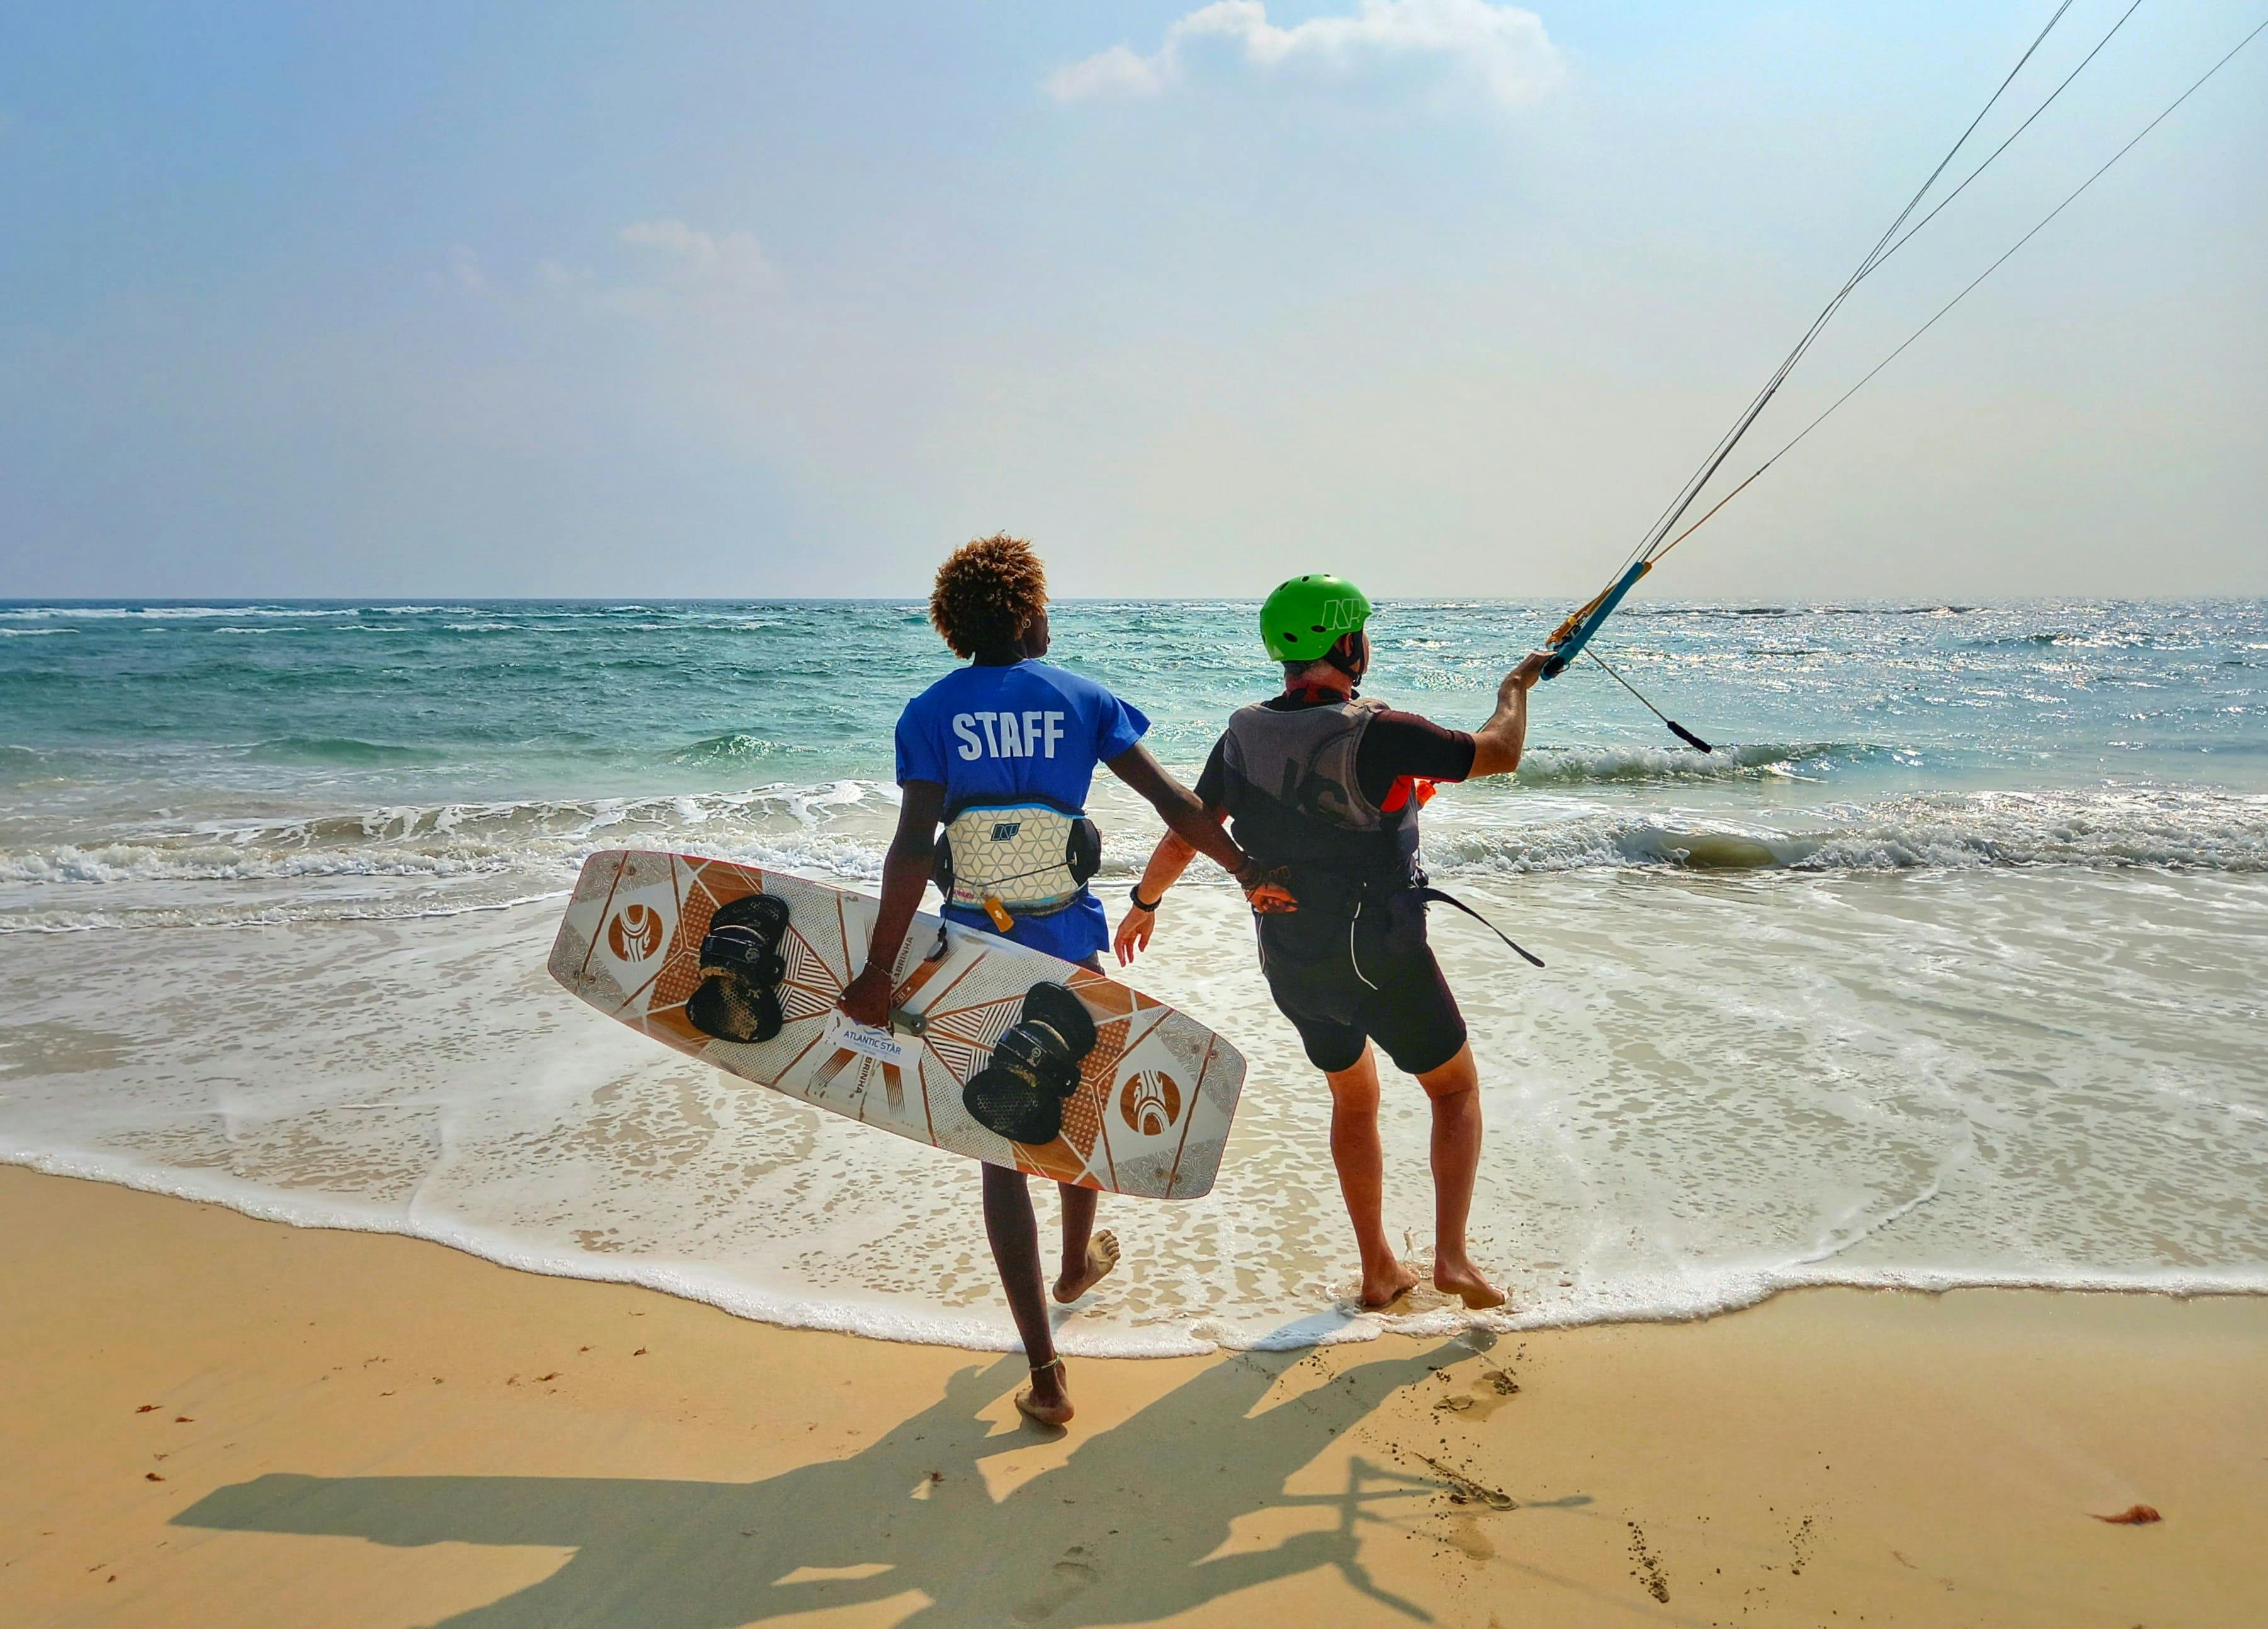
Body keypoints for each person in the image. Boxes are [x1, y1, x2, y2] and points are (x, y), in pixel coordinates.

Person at [838, 534, 1267, 1428]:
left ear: (953, 625)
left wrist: (878, 971)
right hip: (1069, 940)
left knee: (1002, 1148)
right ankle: (1075, 1263)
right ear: (1027, 609)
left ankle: (1044, 1370)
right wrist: (1248, 872)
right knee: (1071, 1100)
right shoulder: (1081, 698)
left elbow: (913, 851)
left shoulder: (928, 711)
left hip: (973, 955)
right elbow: (1175, 805)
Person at [1115, 573, 1546, 1312]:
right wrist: (1516, 685)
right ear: (1348, 643)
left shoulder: (1242, 731)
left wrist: (1143, 902)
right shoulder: (1379, 730)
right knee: (1454, 1089)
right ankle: (1451, 1259)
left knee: (1353, 1098)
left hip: (1290, 955)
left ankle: (1378, 1267)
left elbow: (1190, 829)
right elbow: (1500, 751)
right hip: (1380, 949)